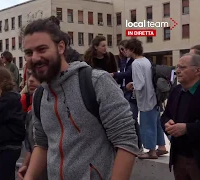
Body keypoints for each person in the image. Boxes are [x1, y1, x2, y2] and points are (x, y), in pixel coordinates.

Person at [22, 18, 138, 180]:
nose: (34, 58)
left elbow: (127, 142)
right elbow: (42, 145)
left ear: (61, 47)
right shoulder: (40, 96)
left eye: (42, 49)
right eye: (28, 53)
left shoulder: (96, 82)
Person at [161, 53, 200, 180]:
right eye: (177, 67)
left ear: (198, 70)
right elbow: (165, 116)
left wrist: (187, 128)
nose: (177, 71)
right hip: (178, 157)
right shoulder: (176, 91)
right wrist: (167, 123)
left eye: (182, 67)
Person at [124, 39, 167, 159]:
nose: (125, 51)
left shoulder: (136, 63)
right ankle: (162, 147)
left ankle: (151, 151)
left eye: (126, 49)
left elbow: (140, 83)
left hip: (145, 99)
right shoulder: (146, 61)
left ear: (132, 49)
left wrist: (131, 86)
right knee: (156, 123)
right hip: (154, 97)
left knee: (147, 125)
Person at [17, 72, 43, 180]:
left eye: (36, 75)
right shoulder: (31, 111)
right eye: (29, 76)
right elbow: (33, 145)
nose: (31, 80)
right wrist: (26, 164)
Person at [111, 40, 137, 121]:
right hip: (123, 89)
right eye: (121, 50)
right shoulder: (123, 60)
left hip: (131, 90)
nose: (123, 51)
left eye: (124, 49)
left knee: (131, 116)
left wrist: (114, 74)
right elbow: (122, 74)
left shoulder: (134, 60)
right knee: (124, 116)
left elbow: (129, 73)